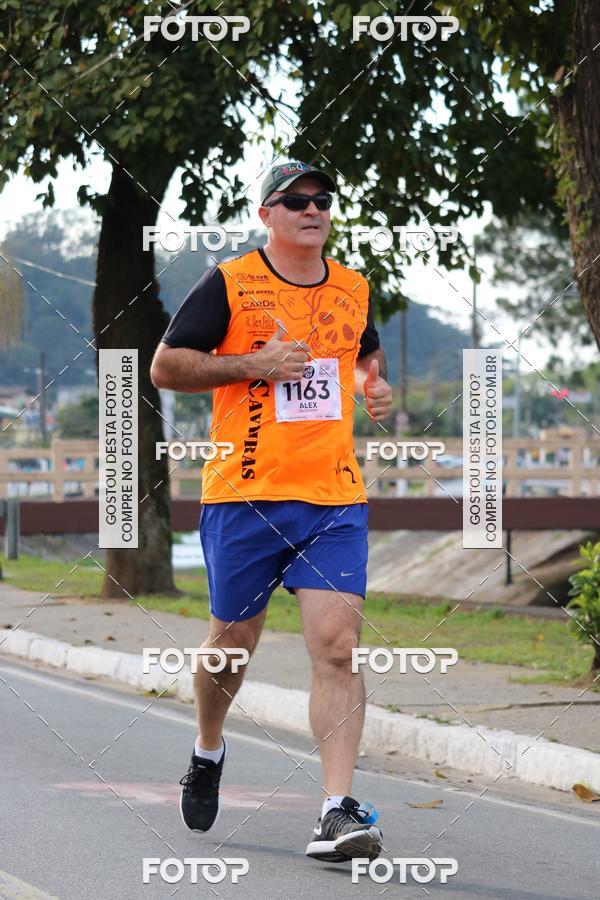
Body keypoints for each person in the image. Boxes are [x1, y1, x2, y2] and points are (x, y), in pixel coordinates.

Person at [150, 159, 393, 863]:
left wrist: (374, 392)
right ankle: (207, 747)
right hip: (244, 494)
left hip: (333, 497)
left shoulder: (353, 288)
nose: (313, 209)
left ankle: (336, 811)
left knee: (339, 645)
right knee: (232, 643)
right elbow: (168, 366)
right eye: (296, 201)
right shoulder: (229, 283)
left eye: (323, 199)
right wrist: (253, 365)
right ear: (268, 215)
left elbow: (360, 362)